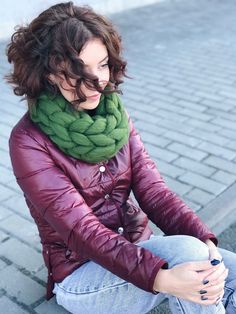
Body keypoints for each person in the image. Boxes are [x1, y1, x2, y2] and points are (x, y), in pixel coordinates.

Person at [5, 2, 236, 314]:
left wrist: (205, 241)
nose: (97, 82)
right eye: (77, 72)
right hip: (80, 274)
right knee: (192, 259)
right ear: (48, 73)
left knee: (220, 265)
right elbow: (84, 232)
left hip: (137, 246)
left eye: (102, 65)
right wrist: (161, 278)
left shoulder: (114, 115)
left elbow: (155, 192)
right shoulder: (28, 141)